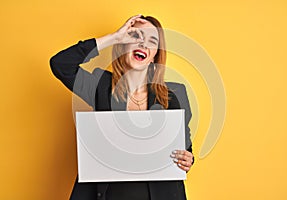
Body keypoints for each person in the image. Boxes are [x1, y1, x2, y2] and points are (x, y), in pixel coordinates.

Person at [50, 14, 194, 200]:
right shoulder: (101, 86)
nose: (143, 44)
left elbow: (185, 148)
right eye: (136, 36)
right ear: (122, 46)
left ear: (154, 56)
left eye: (151, 41)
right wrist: (114, 38)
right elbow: (61, 64)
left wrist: (188, 158)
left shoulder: (174, 95)